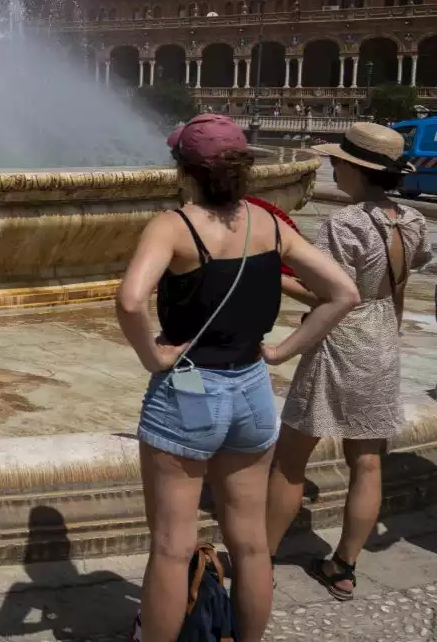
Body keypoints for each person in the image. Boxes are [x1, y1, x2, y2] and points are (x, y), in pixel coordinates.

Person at [116, 113, 357, 642]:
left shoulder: (172, 226)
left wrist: (151, 356)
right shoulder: (268, 224)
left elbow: (131, 300)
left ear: (185, 169)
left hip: (188, 387)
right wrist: (283, 351)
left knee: (171, 547)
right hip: (251, 388)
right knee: (250, 544)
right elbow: (344, 293)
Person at [265, 122, 432, 601]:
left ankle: (264, 558)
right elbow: (389, 286)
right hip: (382, 338)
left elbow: (334, 294)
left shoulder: (345, 223)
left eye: (338, 162)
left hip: (339, 341)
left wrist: (272, 276)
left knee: (291, 459)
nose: (333, 167)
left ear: (356, 170)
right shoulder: (412, 220)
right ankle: (343, 566)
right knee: (367, 463)